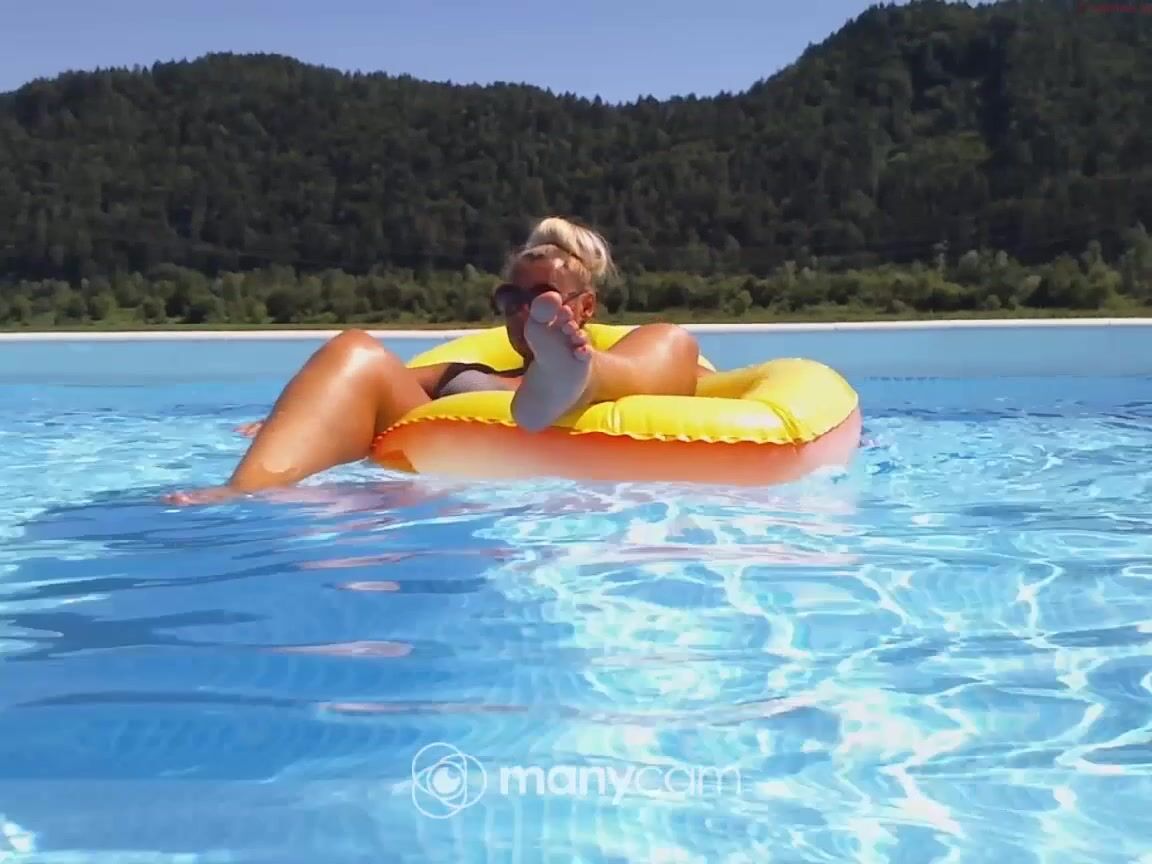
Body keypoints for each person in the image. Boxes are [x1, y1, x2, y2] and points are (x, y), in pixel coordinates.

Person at [165, 216, 706, 505]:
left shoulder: (642, 346)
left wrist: (576, 361)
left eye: (542, 298)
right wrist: (294, 421)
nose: (522, 311)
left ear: (585, 308)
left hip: (604, 384)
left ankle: (576, 376)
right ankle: (246, 489)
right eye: (511, 299)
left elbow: (697, 379)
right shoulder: (465, 373)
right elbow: (349, 387)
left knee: (672, 339)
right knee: (353, 348)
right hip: (477, 453)